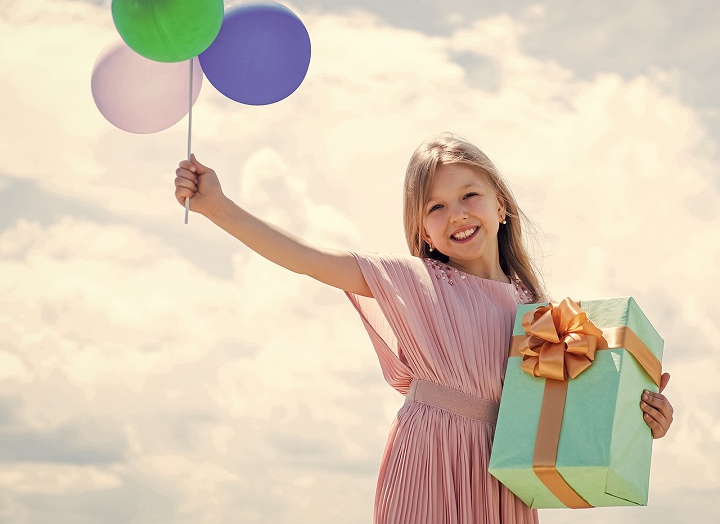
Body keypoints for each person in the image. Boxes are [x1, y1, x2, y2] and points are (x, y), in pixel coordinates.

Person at [173, 132, 674, 523]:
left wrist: (640, 415)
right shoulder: (418, 282)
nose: (456, 213)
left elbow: (577, 415)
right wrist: (218, 206)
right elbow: (308, 258)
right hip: (430, 465)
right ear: (422, 231)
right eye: (435, 206)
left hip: (503, 481)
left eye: (469, 195)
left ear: (501, 205)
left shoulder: (542, 313)